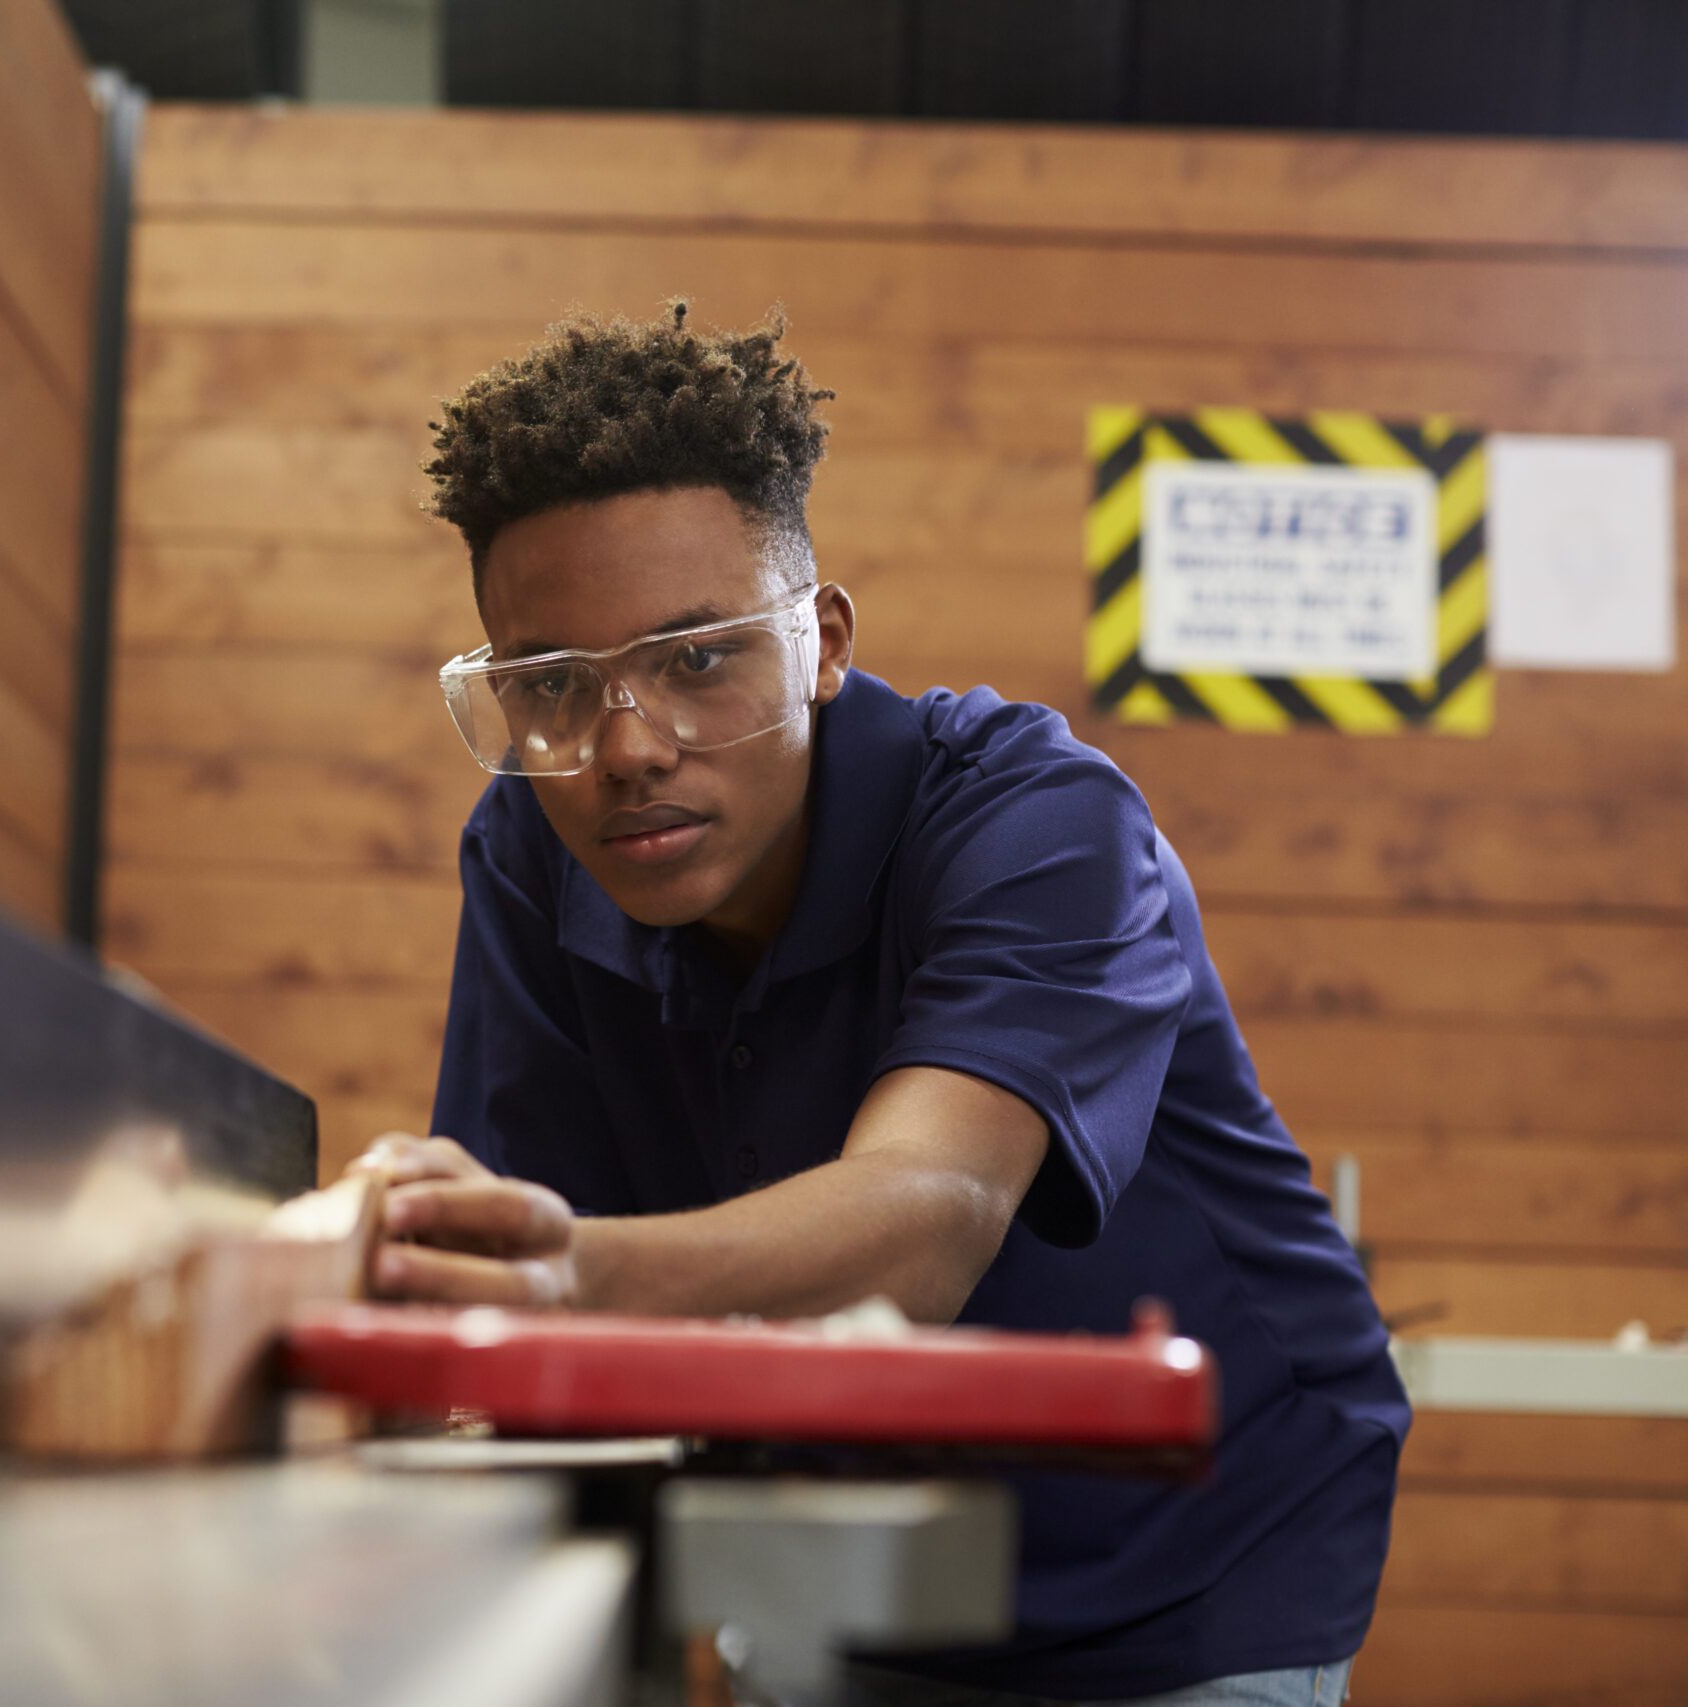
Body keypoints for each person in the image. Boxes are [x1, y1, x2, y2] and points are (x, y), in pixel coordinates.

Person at [352, 303, 1405, 1706]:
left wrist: (563, 1278)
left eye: (698, 658)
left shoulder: (1041, 823)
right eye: (553, 686)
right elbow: (552, 1244)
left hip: (1193, 1556)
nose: (626, 749)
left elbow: (926, 1220)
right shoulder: (534, 854)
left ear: (823, 642)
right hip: (843, 1556)